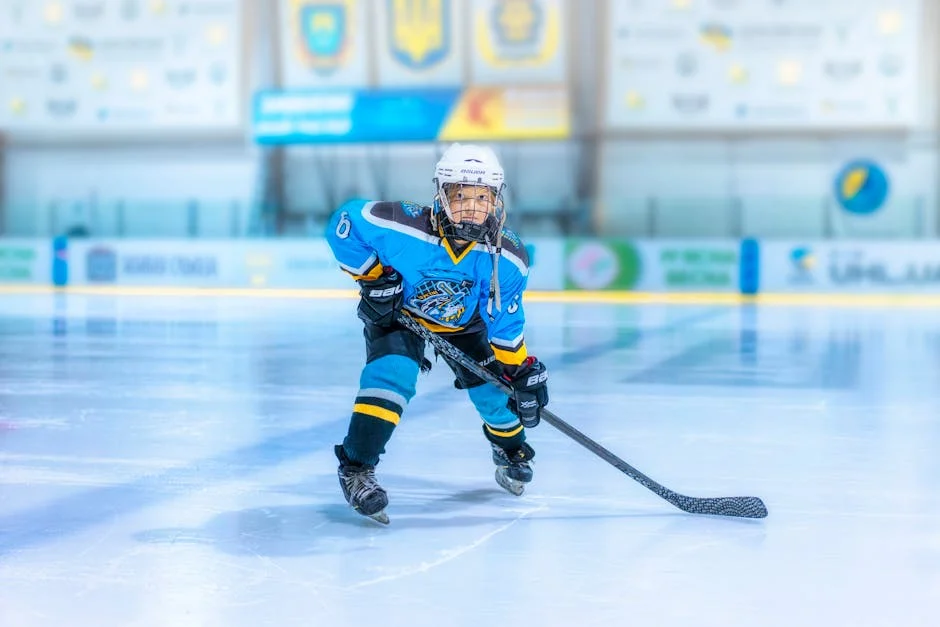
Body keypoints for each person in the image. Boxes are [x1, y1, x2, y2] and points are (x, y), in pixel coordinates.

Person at [324, 143, 550, 524]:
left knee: (495, 393)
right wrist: (374, 278)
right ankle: (356, 468)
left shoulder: (508, 257)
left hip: (463, 324)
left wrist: (519, 371)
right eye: (461, 196)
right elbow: (343, 223)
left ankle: (510, 449)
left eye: (482, 197)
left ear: (496, 199)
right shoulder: (401, 224)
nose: (472, 208)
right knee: (392, 376)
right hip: (400, 313)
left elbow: (505, 324)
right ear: (442, 195)